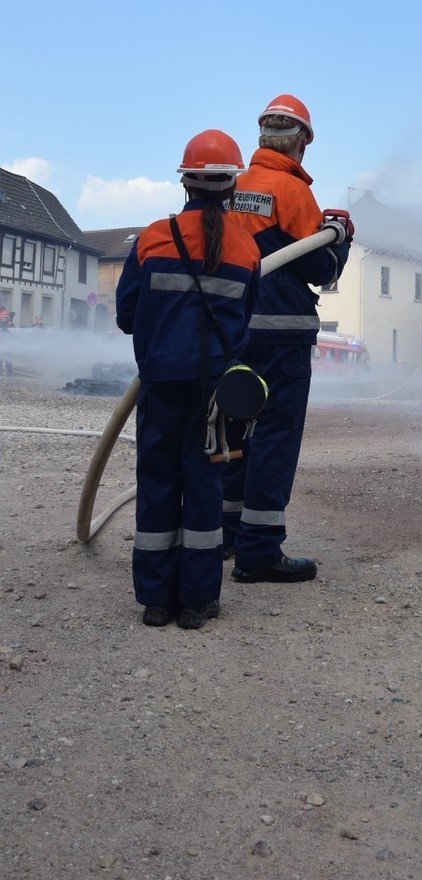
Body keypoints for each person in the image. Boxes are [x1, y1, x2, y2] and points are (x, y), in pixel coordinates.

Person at [116, 130, 261, 629]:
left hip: (160, 386)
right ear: (231, 186)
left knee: (157, 483)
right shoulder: (246, 249)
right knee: (203, 488)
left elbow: (126, 315)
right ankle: (198, 602)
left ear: (186, 182)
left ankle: (156, 600)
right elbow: (243, 325)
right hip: (215, 397)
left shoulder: (152, 239)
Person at [222, 93, 353, 583]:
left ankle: (227, 534)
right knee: (275, 435)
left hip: (232, 333)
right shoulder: (294, 193)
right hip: (282, 338)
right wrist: (339, 237)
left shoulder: (234, 185)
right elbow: (317, 267)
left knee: (231, 431)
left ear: (262, 136)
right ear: (302, 142)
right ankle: (259, 552)